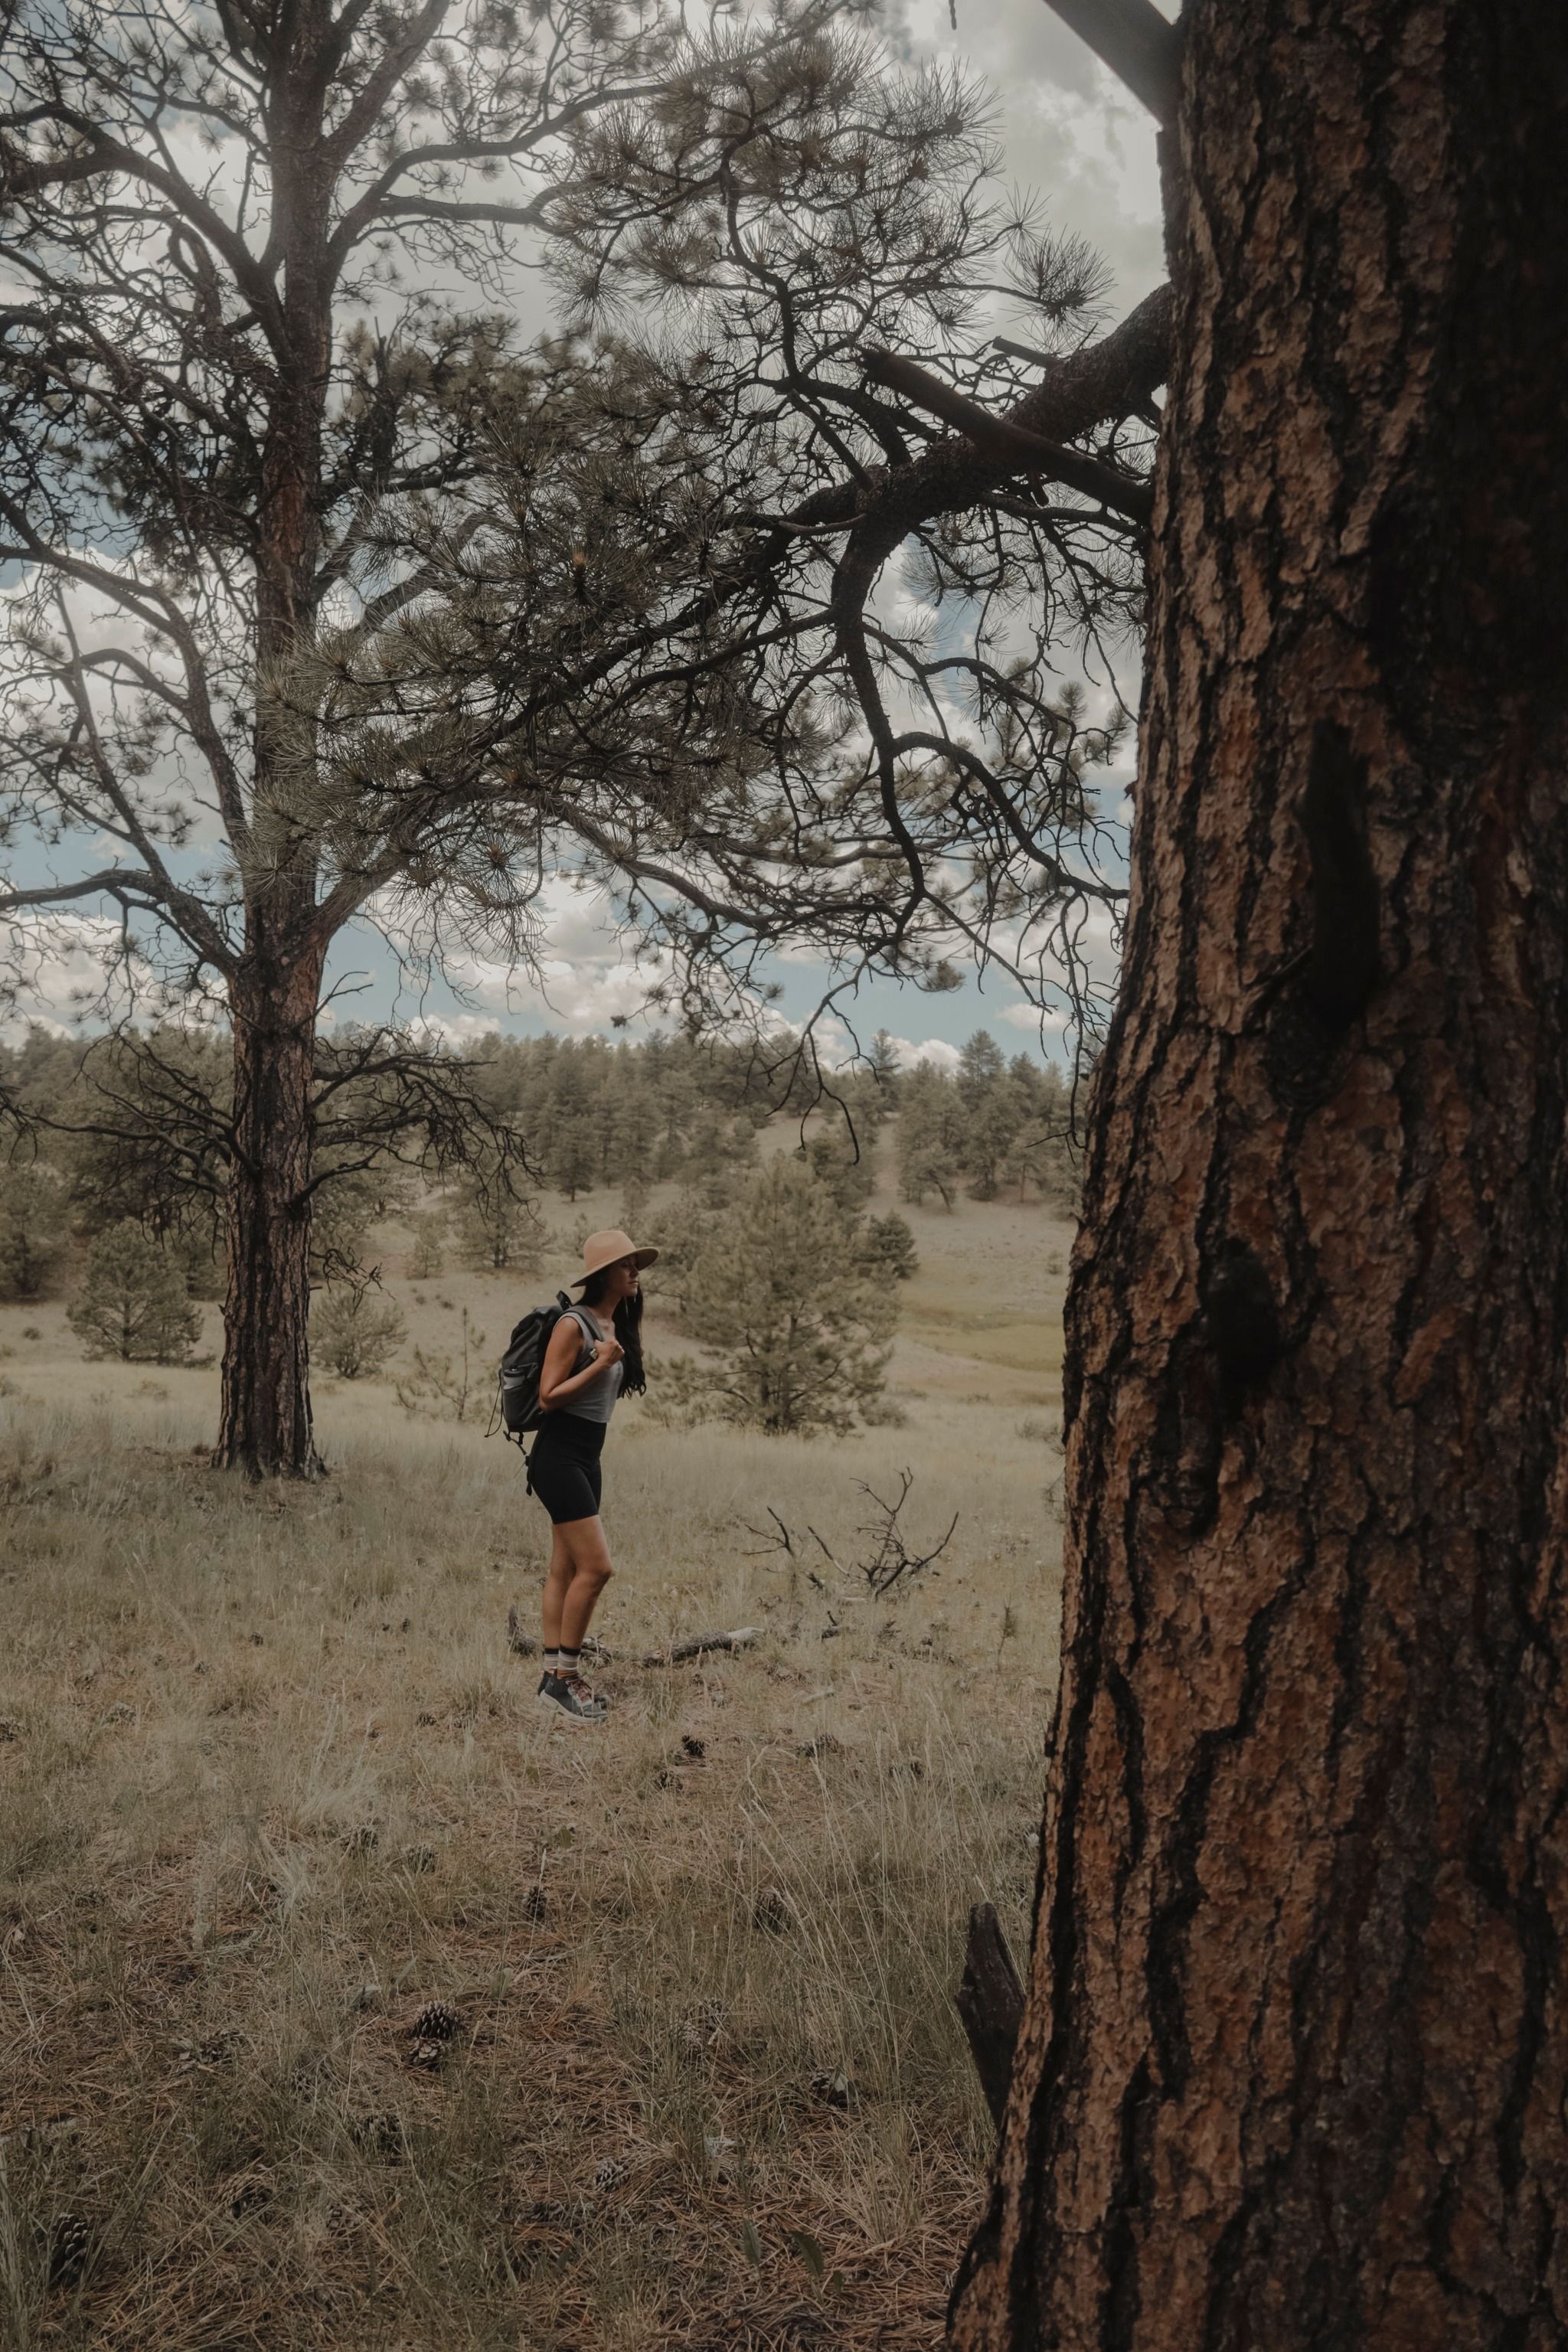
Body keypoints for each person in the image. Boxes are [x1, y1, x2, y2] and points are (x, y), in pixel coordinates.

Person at [531, 1227, 656, 1723]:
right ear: (605, 1273)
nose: (635, 1273)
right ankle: (565, 1677)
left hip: (587, 1455)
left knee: (565, 1569)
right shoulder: (574, 1324)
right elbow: (547, 1396)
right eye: (627, 1265)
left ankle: (550, 1679)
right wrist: (600, 1361)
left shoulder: (612, 1323)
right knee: (598, 1568)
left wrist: (611, 1354)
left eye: (636, 1266)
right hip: (558, 1455)